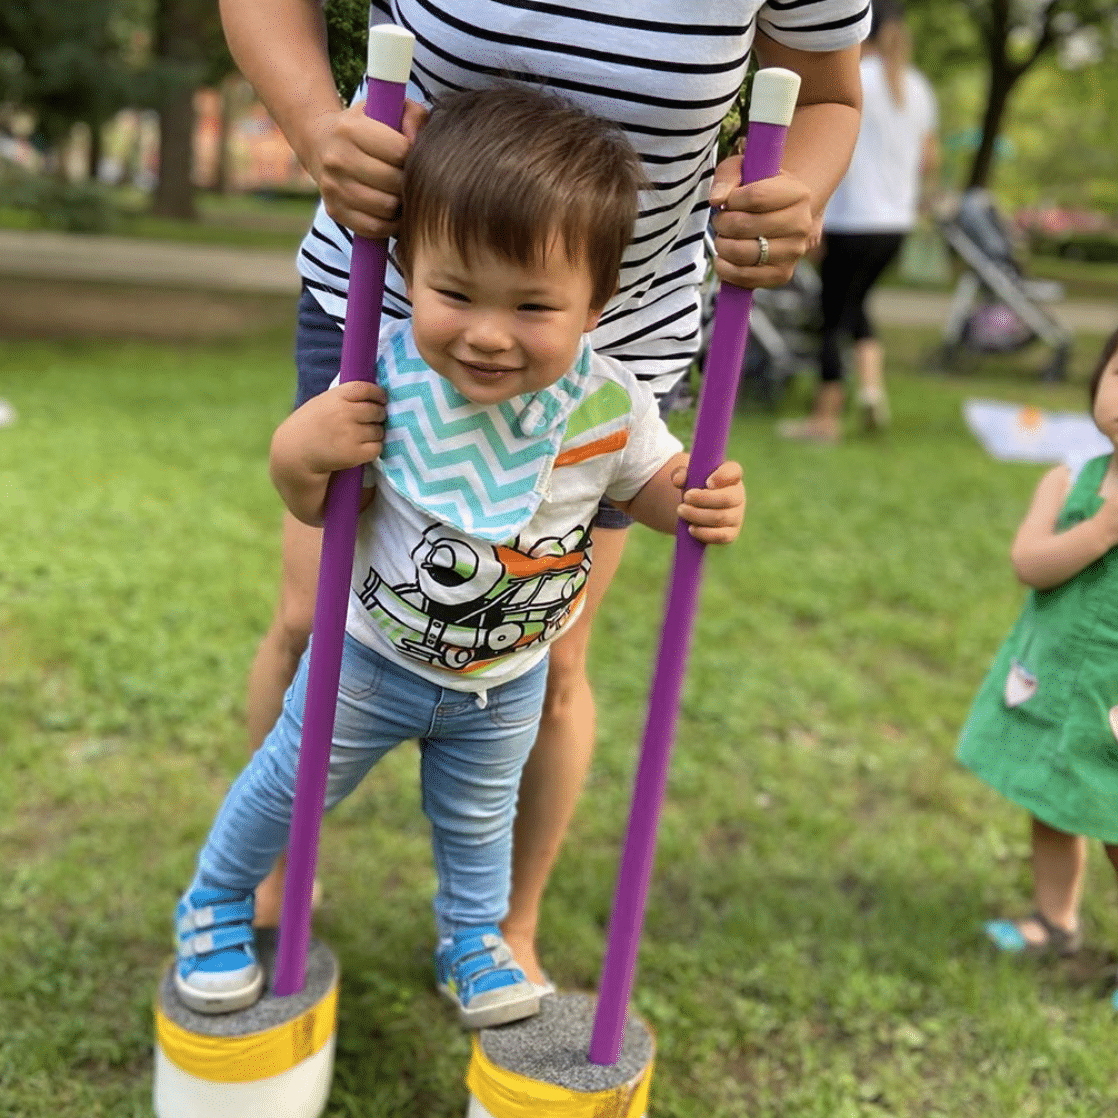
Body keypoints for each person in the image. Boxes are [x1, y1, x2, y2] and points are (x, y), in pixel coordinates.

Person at [217, 0, 870, 986]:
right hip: (398, 305)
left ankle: (497, 929)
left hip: (605, 338)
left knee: (545, 655)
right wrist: (316, 129)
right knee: (315, 619)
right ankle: (259, 889)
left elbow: (824, 92)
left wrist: (795, 188)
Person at [173, 85, 747, 1026]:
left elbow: (650, 487)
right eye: (455, 293)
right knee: (287, 786)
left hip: (506, 677)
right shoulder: (385, 374)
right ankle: (218, 900)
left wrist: (695, 499)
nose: (486, 333)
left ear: (595, 305)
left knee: (480, 824)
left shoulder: (608, 403)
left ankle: (474, 934)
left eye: (532, 305)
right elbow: (310, 496)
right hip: (367, 662)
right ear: (408, 268)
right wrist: (300, 451)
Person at [957, 328, 1118, 988]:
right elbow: (1030, 563)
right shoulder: (1069, 479)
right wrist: (1103, 529)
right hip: (1054, 678)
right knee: (1052, 802)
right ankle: (1056, 920)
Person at [778, 0, 937, 443]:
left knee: (832, 316)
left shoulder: (851, 81)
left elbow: (825, 146)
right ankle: (870, 391)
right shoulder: (917, 86)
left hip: (851, 220)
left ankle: (824, 418)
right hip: (895, 225)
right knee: (856, 307)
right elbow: (929, 158)